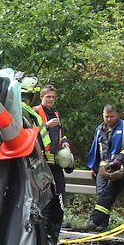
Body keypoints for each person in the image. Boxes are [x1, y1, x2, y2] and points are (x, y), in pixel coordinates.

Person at [85, 104, 124, 231]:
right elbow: (96, 149)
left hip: (120, 167)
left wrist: (120, 160)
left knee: (108, 192)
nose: (109, 119)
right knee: (102, 193)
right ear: (103, 115)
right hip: (103, 168)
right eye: (106, 117)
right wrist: (94, 167)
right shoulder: (100, 129)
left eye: (111, 117)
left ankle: (95, 220)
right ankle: (102, 224)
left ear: (117, 115)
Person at [33, 84, 72, 214]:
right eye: (48, 97)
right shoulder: (35, 111)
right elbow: (30, 132)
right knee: (43, 192)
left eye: (53, 97)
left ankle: (58, 218)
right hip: (41, 161)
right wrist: (46, 125)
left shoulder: (55, 113)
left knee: (60, 189)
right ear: (41, 97)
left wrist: (65, 142)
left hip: (56, 160)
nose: (51, 99)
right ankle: (42, 217)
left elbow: (61, 133)